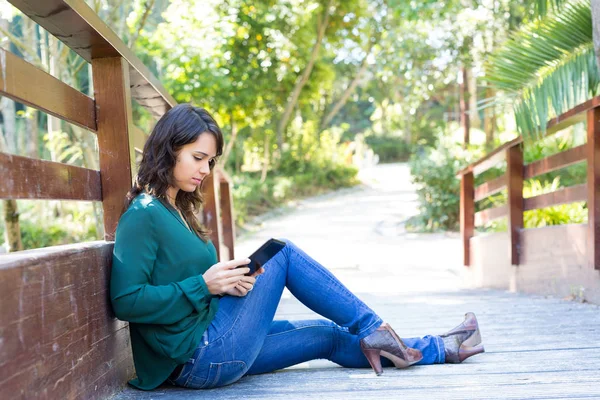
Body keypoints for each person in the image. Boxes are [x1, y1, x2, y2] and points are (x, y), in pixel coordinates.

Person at [110, 103, 485, 391]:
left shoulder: (177, 210)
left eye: (210, 161)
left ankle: (440, 347)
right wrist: (204, 285)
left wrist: (230, 280)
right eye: (197, 158)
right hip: (199, 355)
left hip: (213, 340)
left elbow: (187, 280)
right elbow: (127, 301)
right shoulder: (143, 214)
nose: (206, 169)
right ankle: (373, 324)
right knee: (282, 252)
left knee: (327, 334)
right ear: (168, 149)